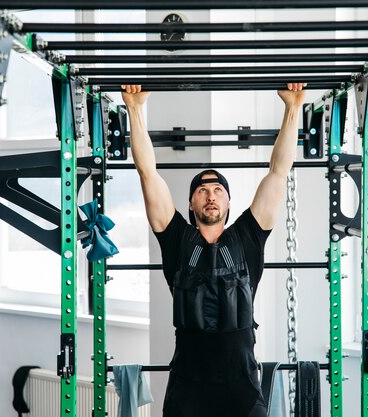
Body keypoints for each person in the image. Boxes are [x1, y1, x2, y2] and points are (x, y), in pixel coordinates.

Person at [121, 83, 307, 417]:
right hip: (188, 387)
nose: (210, 195)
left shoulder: (249, 235)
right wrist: (135, 109)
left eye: (218, 189)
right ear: (191, 203)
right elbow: (148, 173)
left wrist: (292, 109)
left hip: (241, 386)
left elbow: (279, 173)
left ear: (228, 201)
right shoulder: (176, 237)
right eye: (202, 190)